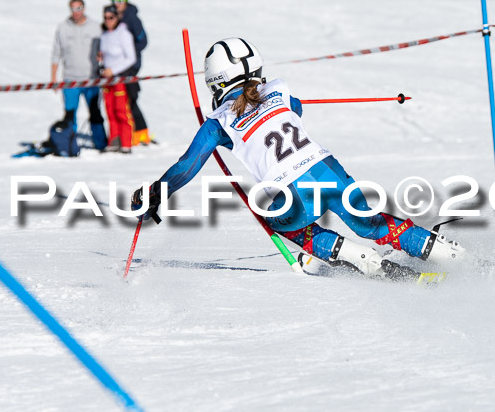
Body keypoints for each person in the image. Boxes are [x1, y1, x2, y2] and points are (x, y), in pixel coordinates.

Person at [131, 38, 466, 278]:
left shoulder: (217, 123)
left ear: (215, 82)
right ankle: (447, 254)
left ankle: (362, 259)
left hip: (289, 193)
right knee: (369, 221)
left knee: (277, 221)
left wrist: (157, 192)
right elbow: (296, 109)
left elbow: (186, 166)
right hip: (326, 168)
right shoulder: (279, 88)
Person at [50, 0, 107, 151]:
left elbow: (105, 49)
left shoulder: (96, 27)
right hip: (70, 80)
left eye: (79, 8)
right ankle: (70, 145)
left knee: (95, 113)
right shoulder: (63, 27)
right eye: (73, 9)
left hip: (91, 80)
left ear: (84, 8)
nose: (76, 12)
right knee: (70, 114)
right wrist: (54, 78)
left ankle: (101, 144)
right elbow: (56, 53)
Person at [110, 0, 151, 145]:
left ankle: (141, 132)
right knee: (123, 100)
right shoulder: (114, 16)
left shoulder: (132, 18)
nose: (117, 4)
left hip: (131, 65)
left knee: (130, 97)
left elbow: (143, 40)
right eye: (115, 1)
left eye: (120, 1)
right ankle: (131, 131)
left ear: (126, 1)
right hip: (117, 65)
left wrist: (129, 53)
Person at [99, 5, 136, 154]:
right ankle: (114, 141)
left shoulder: (123, 33)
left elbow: (131, 58)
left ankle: (126, 142)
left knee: (121, 110)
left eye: (111, 17)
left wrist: (113, 70)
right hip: (107, 80)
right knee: (110, 110)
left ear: (117, 17)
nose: (108, 21)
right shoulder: (104, 35)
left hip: (119, 78)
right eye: (105, 18)